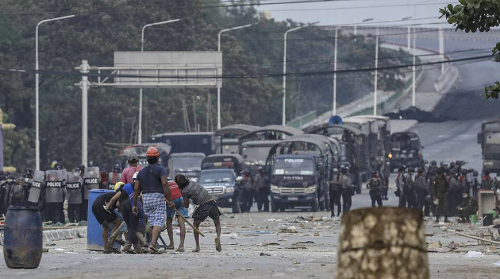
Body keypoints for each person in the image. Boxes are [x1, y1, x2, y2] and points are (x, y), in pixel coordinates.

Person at [133, 147, 175, 254]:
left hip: (146, 198)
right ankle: (152, 245)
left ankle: (153, 244)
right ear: (157, 158)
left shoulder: (141, 172)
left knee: (151, 222)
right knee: (159, 222)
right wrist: (170, 200)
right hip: (158, 197)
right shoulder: (161, 170)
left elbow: (136, 189)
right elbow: (165, 184)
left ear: (147, 158)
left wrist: (134, 204)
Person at [175, 174, 222, 253]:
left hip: (204, 205)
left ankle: (197, 246)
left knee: (195, 225)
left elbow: (186, 205)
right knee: (217, 223)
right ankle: (218, 237)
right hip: (211, 201)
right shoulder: (193, 182)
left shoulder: (184, 191)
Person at [107, 176, 147, 254]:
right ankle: (127, 246)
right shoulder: (139, 188)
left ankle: (137, 247)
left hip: (123, 206)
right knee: (134, 227)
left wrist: (109, 207)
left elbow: (117, 202)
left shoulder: (127, 186)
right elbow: (139, 200)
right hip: (131, 206)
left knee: (130, 227)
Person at [165, 177, 187, 252]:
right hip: (181, 198)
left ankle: (171, 244)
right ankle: (181, 245)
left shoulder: (160, 181)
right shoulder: (170, 179)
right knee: (181, 222)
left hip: (172, 199)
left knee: (169, 220)